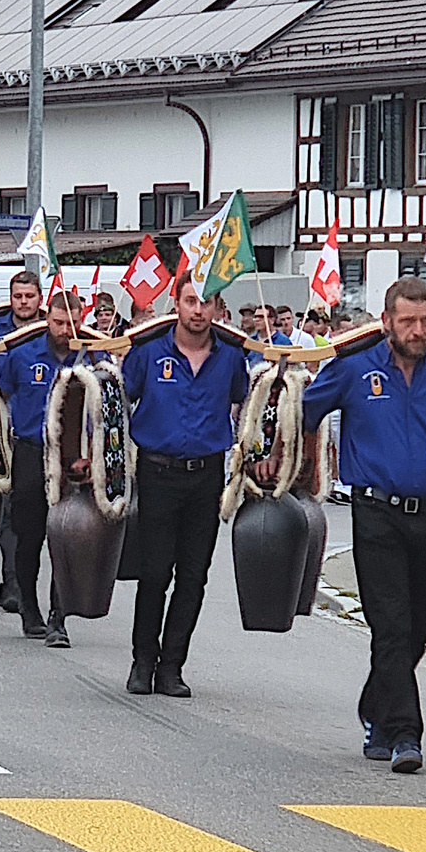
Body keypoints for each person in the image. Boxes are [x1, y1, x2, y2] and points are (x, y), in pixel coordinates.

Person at [283, 276, 426, 774]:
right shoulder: (354, 367)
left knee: (423, 621)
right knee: (389, 623)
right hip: (375, 511)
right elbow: (301, 413)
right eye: (408, 320)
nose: (419, 329)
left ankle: (374, 705)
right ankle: (405, 732)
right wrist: (277, 456)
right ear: (386, 321)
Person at [122, 277, 248, 697]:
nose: (198, 310)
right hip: (158, 472)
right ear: (176, 304)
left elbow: (241, 402)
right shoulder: (149, 351)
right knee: (155, 573)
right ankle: (142, 661)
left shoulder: (231, 356)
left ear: (217, 309)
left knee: (194, 576)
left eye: (206, 303)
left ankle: (172, 665)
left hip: (206, 474)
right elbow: (122, 397)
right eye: (190, 301)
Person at [0, 290, 85, 645]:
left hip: (75, 457)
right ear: (48, 319)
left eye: (73, 322)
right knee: (29, 536)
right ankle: (28, 608)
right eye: (59, 322)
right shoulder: (22, 355)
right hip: (32, 451)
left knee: (67, 538)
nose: (66, 329)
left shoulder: (92, 355)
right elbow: (4, 395)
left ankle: (59, 616)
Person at [0, 272, 45, 611]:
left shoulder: (51, 333)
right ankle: (11, 581)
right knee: (5, 509)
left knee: (32, 515)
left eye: (30, 295)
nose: (24, 301)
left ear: (39, 298)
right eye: (18, 296)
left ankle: (21, 583)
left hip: (37, 435)